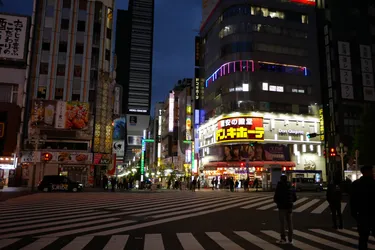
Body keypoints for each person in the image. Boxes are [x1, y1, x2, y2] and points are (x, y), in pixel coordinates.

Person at [350, 165, 375, 250]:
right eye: (372, 171)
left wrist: (355, 215)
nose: (373, 173)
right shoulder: (373, 183)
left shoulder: (356, 184)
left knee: (363, 239)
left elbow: (352, 201)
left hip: (362, 215)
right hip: (373, 214)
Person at [274, 175, 297, 245]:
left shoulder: (279, 186)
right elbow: (295, 197)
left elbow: (276, 197)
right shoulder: (291, 186)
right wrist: (290, 201)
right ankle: (290, 239)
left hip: (281, 207)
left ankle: (283, 238)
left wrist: (278, 202)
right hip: (289, 207)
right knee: (290, 223)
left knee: (282, 223)